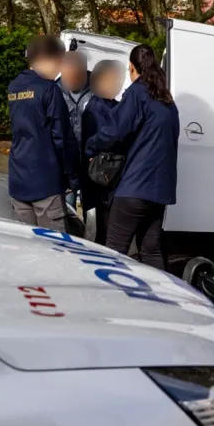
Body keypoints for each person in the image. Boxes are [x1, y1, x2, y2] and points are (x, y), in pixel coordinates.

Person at [85, 44, 179, 269]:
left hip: (136, 187)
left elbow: (115, 131)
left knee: (114, 250)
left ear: (132, 68)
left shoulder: (138, 93)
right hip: (160, 190)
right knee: (150, 249)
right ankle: (160, 290)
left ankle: (111, 289)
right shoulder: (167, 100)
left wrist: (91, 145)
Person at [7, 35, 78, 230]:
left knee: (26, 241)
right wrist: (72, 176)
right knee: (54, 243)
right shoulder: (49, 89)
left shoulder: (14, 87)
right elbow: (62, 137)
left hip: (18, 177)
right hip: (45, 181)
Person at [81, 59, 127, 245]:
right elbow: (106, 137)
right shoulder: (96, 107)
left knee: (108, 224)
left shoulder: (112, 105)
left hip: (110, 173)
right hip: (103, 173)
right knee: (104, 225)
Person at [58, 51, 92, 213]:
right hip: (67, 162)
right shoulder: (55, 89)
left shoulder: (97, 87)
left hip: (91, 161)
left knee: (92, 211)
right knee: (67, 209)